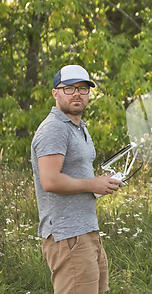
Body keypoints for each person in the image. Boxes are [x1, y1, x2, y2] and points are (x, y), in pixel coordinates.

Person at [31, 65, 123, 294]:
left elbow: (76, 175)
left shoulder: (79, 126)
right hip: (67, 234)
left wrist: (103, 182)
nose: (77, 94)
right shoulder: (54, 128)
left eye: (82, 88)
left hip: (86, 230)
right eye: (69, 88)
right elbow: (50, 181)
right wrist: (93, 183)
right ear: (55, 93)